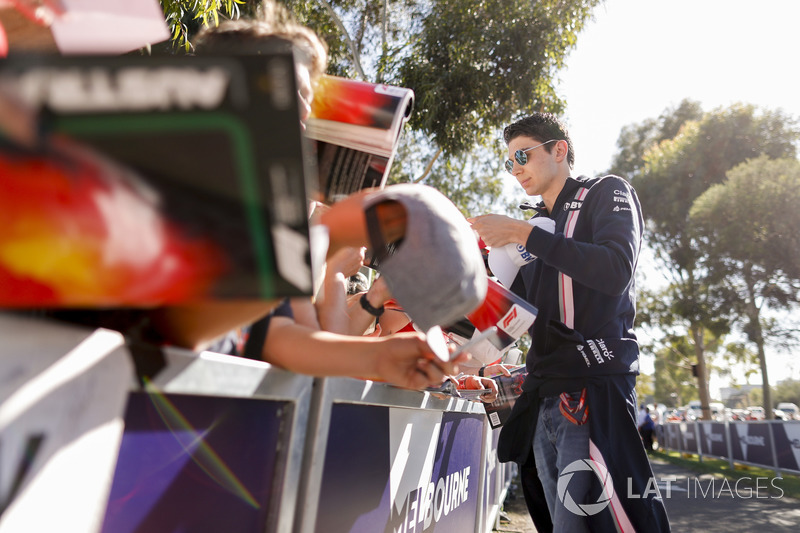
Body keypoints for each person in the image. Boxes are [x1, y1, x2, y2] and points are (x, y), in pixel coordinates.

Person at [470, 112, 670, 532]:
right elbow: (520, 315)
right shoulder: (530, 227)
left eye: (522, 154)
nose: (515, 168)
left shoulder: (605, 192)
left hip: (591, 390)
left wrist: (524, 235)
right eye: (509, 162)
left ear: (559, 149)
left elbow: (617, 269)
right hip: (544, 395)